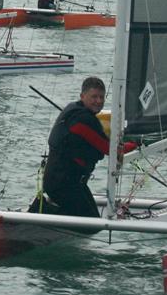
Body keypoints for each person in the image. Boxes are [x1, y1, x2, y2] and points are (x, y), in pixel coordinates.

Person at [34, 76, 138, 218]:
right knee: (92, 223)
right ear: (82, 96)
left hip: (70, 182)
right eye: (94, 97)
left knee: (91, 218)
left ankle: (52, 213)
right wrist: (137, 143)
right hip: (62, 184)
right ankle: (43, 215)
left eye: (101, 97)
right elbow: (110, 150)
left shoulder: (75, 110)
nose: (99, 101)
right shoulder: (83, 119)